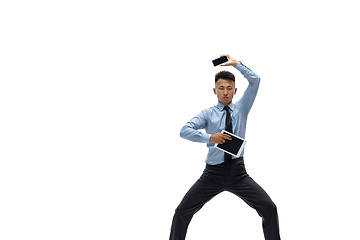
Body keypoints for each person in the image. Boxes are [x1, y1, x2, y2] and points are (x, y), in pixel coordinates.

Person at [169, 54, 281, 240]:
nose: (225, 92)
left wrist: (236, 64)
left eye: (229, 88)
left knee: (269, 208)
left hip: (238, 174)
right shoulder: (207, 114)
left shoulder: (242, 108)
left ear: (235, 90)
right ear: (215, 91)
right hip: (212, 174)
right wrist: (210, 137)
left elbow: (255, 80)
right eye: (221, 88)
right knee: (181, 211)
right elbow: (184, 131)